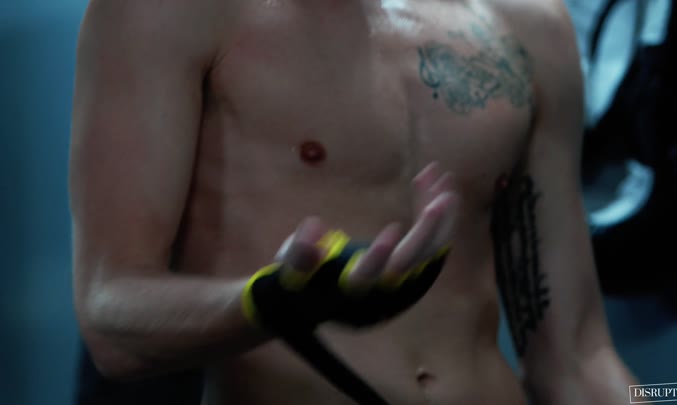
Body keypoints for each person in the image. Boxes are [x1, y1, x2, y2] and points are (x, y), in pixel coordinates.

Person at [69, 0, 639, 403]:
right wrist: (271, 302)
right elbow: (110, 319)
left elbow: (577, 361)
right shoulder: (167, 10)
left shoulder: (531, 23)